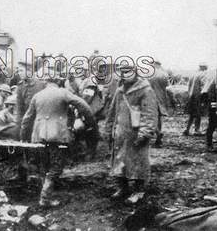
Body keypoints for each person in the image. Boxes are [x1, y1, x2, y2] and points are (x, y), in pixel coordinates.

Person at [21, 74, 94, 207]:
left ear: (46, 82)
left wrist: (23, 137)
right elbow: (84, 106)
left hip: (39, 136)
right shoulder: (63, 93)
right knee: (56, 166)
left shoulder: (37, 96)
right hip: (57, 136)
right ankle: (45, 198)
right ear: (59, 81)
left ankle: (46, 194)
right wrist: (90, 123)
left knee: (44, 165)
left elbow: (26, 120)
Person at [106, 64, 158, 201]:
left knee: (138, 163)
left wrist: (144, 133)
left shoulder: (146, 90)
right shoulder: (120, 91)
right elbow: (113, 111)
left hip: (136, 135)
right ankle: (122, 188)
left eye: (128, 72)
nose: (125, 75)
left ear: (135, 73)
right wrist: (109, 128)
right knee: (119, 162)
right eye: (122, 73)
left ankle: (139, 191)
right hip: (121, 133)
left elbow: (150, 113)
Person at [148, 59, 173, 147]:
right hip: (161, 98)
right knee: (159, 118)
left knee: (150, 118)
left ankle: (158, 133)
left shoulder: (149, 73)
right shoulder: (164, 74)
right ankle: (158, 139)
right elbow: (168, 88)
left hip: (150, 98)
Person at [184, 63, 208, 136]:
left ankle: (187, 129)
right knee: (198, 114)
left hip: (191, 96)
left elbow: (189, 86)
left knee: (192, 114)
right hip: (198, 97)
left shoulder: (193, 75)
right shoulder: (203, 75)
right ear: (204, 68)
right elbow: (203, 87)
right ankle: (197, 130)